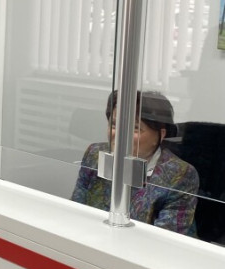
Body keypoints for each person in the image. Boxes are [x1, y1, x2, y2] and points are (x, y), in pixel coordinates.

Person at [71, 90, 199, 236]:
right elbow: (76, 211)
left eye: (135, 128)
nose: (120, 135)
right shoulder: (94, 154)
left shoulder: (179, 174)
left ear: (161, 135)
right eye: (115, 125)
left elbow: (163, 239)